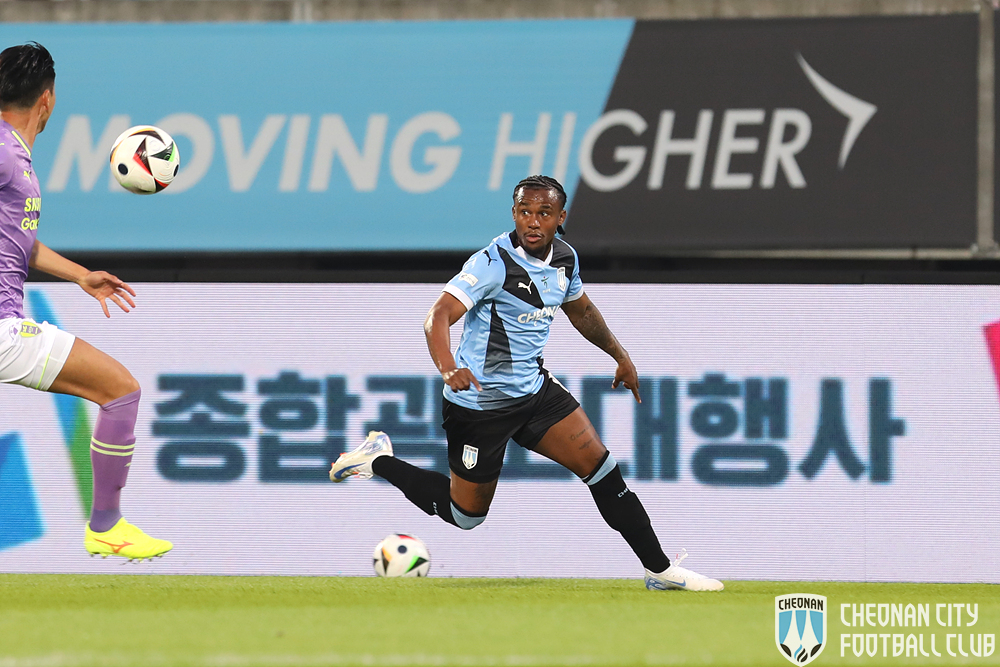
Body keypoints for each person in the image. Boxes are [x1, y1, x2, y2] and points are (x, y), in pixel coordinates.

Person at [331, 175, 721, 591]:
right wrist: (448, 368)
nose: (533, 221)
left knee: (603, 471)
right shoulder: (491, 264)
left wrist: (620, 356)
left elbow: (581, 310)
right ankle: (378, 460)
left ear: (561, 217)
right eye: (524, 212)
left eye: (544, 213)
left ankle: (659, 570)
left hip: (535, 394)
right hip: (479, 405)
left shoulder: (565, 259)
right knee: (466, 516)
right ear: (514, 214)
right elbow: (438, 316)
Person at [0, 42, 171, 561]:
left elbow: (20, 243)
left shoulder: (15, 155)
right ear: (47, 100)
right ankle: (106, 526)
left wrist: (80, 276)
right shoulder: (3, 151)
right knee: (120, 391)